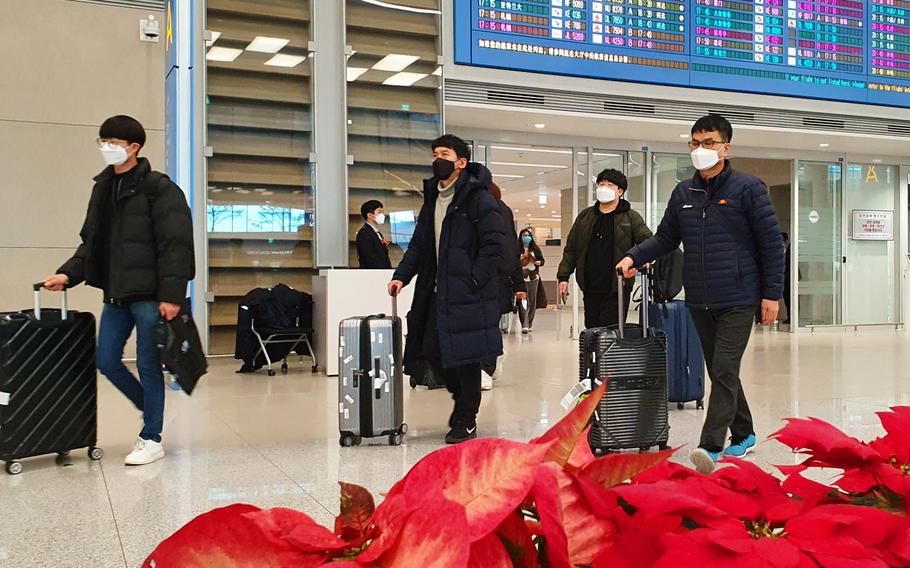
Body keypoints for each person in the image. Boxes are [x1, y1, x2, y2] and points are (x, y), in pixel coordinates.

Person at [617, 114, 784, 474]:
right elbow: (665, 239)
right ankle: (745, 433)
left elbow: (772, 246)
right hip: (699, 298)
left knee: (724, 368)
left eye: (708, 143)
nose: (700, 150)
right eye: (694, 143)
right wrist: (633, 256)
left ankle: (711, 446)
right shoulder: (684, 193)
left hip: (739, 296)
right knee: (721, 371)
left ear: (726, 147)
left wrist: (771, 295)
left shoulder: (748, 189)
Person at [42, 115, 195, 466]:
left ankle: (151, 437)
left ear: (134, 147)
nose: (105, 149)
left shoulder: (159, 187)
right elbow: (91, 243)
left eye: (112, 143)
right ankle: (151, 409)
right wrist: (67, 274)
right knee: (107, 360)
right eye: (102, 142)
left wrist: (172, 295)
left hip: (150, 294)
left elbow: (176, 245)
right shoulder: (103, 187)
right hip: (116, 292)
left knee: (147, 363)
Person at [388, 134, 504, 444]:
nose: (438, 158)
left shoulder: (479, 199)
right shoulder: (432, 200)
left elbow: (495, 247)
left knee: (466, 359)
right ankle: (462, 401)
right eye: (435, 153)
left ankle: (466, 419)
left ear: (461, 162)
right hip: (436, 291)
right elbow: (419, 244)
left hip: (466, 293)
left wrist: (473, 280)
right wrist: (402, 275)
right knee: (431, 351)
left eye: (445, 153)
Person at [557, 169, 652, 329]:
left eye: (610, 185)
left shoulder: (630, 217)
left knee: (611, 334)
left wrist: (635, 264)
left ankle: (608, 355)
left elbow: (648, 243)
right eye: (601, 184)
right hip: (590, 285)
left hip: (617, 286)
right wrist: (564, 276)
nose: (604, 188)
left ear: (620, 191)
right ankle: (592, 355)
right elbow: (572, 248)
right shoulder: (585, 217)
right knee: (592, 331)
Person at [481, 183, 527, 390]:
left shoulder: (499, 212)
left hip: (493, 279)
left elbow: (511, 251)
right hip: (488, 279)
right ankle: (491, 360)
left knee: (486, 325)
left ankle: (486, 368)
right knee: (485, 325)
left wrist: (519, 283)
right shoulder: (502, 211)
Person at [517, 228, 545, 334]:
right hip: (522, 278)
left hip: (533, 278)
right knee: (523, 301)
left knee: (532, 301)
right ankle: (524, 324)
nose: (526, 237)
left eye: (528, 235)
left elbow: (542, 260)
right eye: (524, 235)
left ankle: (529, 323)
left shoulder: (535, 249)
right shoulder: (516, 249)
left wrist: (538, 262)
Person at [356, 200, 392, 269]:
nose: (382, 215)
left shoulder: (378, 233)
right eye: (379, 212)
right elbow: (369, 258)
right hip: (372, 274)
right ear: (369, 215)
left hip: (383, 273)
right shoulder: (364, 234)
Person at [782, 232, 791, 324]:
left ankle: (793, 318)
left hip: (791, 278)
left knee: (791, 299)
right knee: (787, 299)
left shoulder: (792, 249)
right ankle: (789, 317)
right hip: (785, 279)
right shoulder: (783, 250)